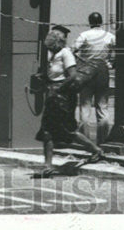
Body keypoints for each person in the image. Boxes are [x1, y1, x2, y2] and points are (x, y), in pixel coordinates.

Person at [34, 25, 102, 176]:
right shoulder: (52, 55)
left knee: (68, 130)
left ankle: (96, 150)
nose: (49, 46)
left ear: (57, 42)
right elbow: (53, 75)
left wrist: (59, 87)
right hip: (53, 96)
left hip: (63, 97)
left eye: (51, 43)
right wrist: (45, 79)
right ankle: (47, 165)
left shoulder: (66, 54)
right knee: (47, 130)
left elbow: (72, 75)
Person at [72, 12, 115, 143]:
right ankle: (102, 140)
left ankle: (85, 139)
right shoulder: (109, 36)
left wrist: (80, 59)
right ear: (101, 22)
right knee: (102, 107)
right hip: (102, 71)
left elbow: (73, 49)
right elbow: (120, 50)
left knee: (85, 107)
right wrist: (110, 61)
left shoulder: (84, 35)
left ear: (89, 22)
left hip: (86, 71)